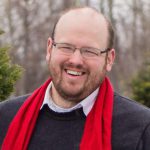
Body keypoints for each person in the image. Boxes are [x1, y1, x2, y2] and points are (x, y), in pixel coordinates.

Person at [0, 6, 150, 150]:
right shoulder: (5, 117)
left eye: (90, 51)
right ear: (49, 48)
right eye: (66, 47)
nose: (76, 60)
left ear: (109, 59)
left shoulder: (141, 128)